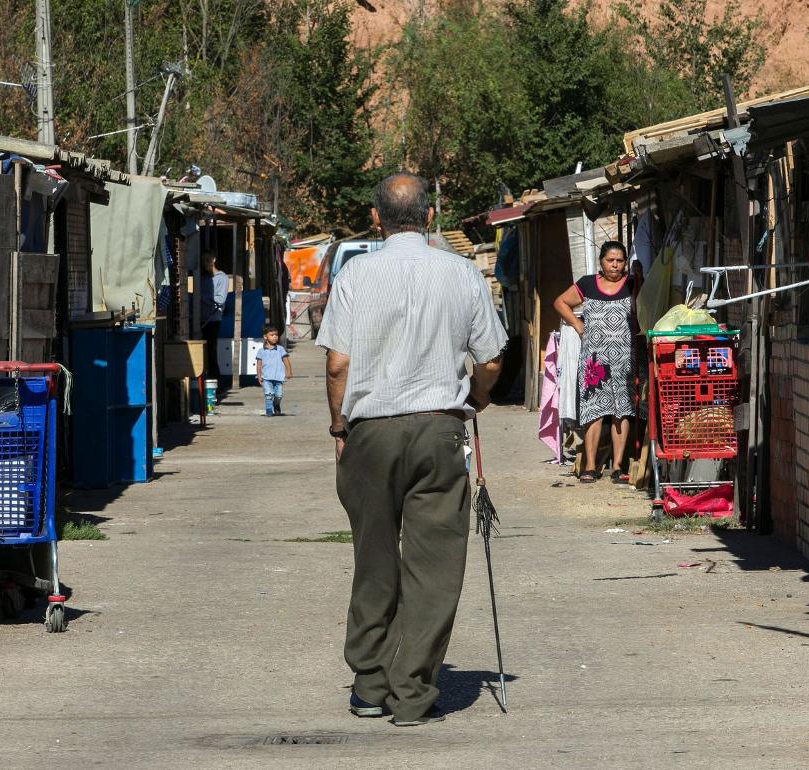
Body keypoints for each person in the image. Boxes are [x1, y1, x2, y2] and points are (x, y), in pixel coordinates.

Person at [316, 173, 507, 727]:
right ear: (429, 218)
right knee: (434, 565)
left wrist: (338, 427)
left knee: (373, 558)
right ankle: (413, 692)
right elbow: (492, 359)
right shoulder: (461, 274)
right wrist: (477, 397)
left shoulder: (355, 275)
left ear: (376, 219)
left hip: (369, 432)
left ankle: (370, 685)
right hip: (438, 431)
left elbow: (337, 363)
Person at [552, 241, 643, 484]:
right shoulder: (587, 284)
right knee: (594, 412)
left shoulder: (632, 284)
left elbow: (643, 309)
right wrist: (577, 324)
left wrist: (640, 277)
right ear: (601, 262)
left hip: (625, 359)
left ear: (625, 263)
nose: (615, 265)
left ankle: (617, 466)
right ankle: (590, 467)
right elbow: (560, 302)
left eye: (620, 261)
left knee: (622, 411)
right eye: (610, 260)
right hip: (595, 362)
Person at [200, 253, 228, 383]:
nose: (205, 263)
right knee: (203, 352)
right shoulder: (203, 278)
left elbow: (220, 299)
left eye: (207, 260)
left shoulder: (222, 277)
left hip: (213, 319)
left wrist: (202, 299)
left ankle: (216, 380)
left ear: (214, 259)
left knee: (211, 350)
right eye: (203, 261)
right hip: (201, 319)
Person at [254, 325, 291, 417]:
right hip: (266, 378)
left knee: (278, 395)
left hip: (279, 377)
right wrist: (259, 376)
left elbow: (286, 361)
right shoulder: (261, 351)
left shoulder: (280, 349)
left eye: (276, 335)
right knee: (268, 395)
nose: (275, 337)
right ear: (265, 337)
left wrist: (289, 371)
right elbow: (259, 365)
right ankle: (269, 410)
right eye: (272, 335)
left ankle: (276, 404)